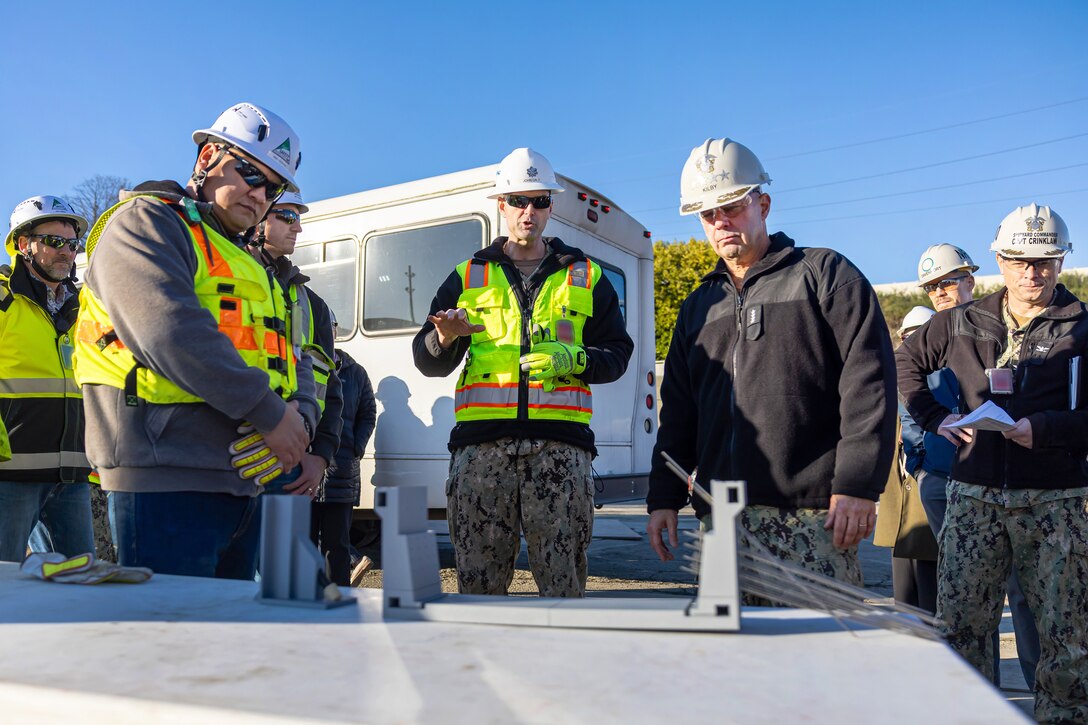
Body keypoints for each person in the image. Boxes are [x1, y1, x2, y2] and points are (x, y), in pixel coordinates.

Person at [72, 102, 318, 579]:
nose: (261, 194)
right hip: (165, 477)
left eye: (274, 187)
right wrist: (269, 414)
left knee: (230, 642)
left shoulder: (248, 259)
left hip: (250, 479)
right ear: (207, 157)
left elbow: (294, 350)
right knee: (170, 641)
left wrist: (299, 421)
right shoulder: (146, 222)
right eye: (250, 173)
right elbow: (167, 329)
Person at [647, 138, 897, 595]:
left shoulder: (826, 275)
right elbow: (680, 413)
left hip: (810, 518)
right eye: (708, 214)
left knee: (815, 659)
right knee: (733, 661)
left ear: (763, 203)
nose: (721, 222)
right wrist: (663, 496)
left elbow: (869, 384)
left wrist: (859, 484)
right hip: (720, 517)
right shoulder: (698, 307)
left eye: (732, 207)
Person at [413, 147, 632, 597]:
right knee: (479, 585)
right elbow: (426, 358)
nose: (528, 211)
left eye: (539, 201)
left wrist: (578, 360)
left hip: (561, 453)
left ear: (551, 207)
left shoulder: (586, 275)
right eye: (517, 200)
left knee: (563, 588)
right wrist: (447, 338)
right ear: (501, 205)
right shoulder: (466, 276)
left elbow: (619, 353)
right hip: (480, 454)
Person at [897, 203, 1087, 722]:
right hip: (973, 497)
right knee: (961, 628)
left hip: (1057, 503)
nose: (1033, 272)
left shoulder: (1083, 329)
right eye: (1019, 260)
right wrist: (936, 417)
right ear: (999, 261)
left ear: (1062, 260)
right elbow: (905, 364)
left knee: (1066, 637)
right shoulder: (963, 321)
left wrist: (1043, 429)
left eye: (1046, 260)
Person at [913, 243, 1040, 689]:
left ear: (971, 278)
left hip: (1017, 484)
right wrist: (925, 449)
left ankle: (1038, 690)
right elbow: (905, 393)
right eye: (931, 288)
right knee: (966, 595)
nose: (941, 293)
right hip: (949, 480)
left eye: (948, 282)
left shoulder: (1001, 327)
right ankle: (979, 696)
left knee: (1024, 595)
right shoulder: (929, 336)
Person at [0, 196, 94, 562]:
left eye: (72, 244)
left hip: (72, 474)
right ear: (24, 245)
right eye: (55, 242)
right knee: (5, 583)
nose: (67, 252)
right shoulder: (4, 296)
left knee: (80, 582)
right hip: (10, 474)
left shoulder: (83, 305)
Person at [248, 189, 344, 501]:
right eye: (288, 217)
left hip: (291, 464)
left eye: (298, 219)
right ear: (260, 218)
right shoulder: (231, 278)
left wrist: (320, 455)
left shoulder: (313, 305)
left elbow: (330, 385)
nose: (298, 227)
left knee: (283, 551)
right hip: (231, 452)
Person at [875, 306, 939, 614]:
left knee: (930, 576)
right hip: (900, 483)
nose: (912, 341)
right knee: (904, 579)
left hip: (927, 479)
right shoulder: (893, 373)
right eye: (907, 336)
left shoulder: (945, 376)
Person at [324, 314, 376, 585]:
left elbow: (369, 412)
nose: (327, 331)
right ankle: (309, 606)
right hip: (306, 474)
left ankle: (338, 602)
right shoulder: (305, 364)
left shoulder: (356, 372)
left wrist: (356, 447)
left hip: (341, 472)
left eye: (331, 326)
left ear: (336, 331)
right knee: (305, 546)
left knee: (338, 546)